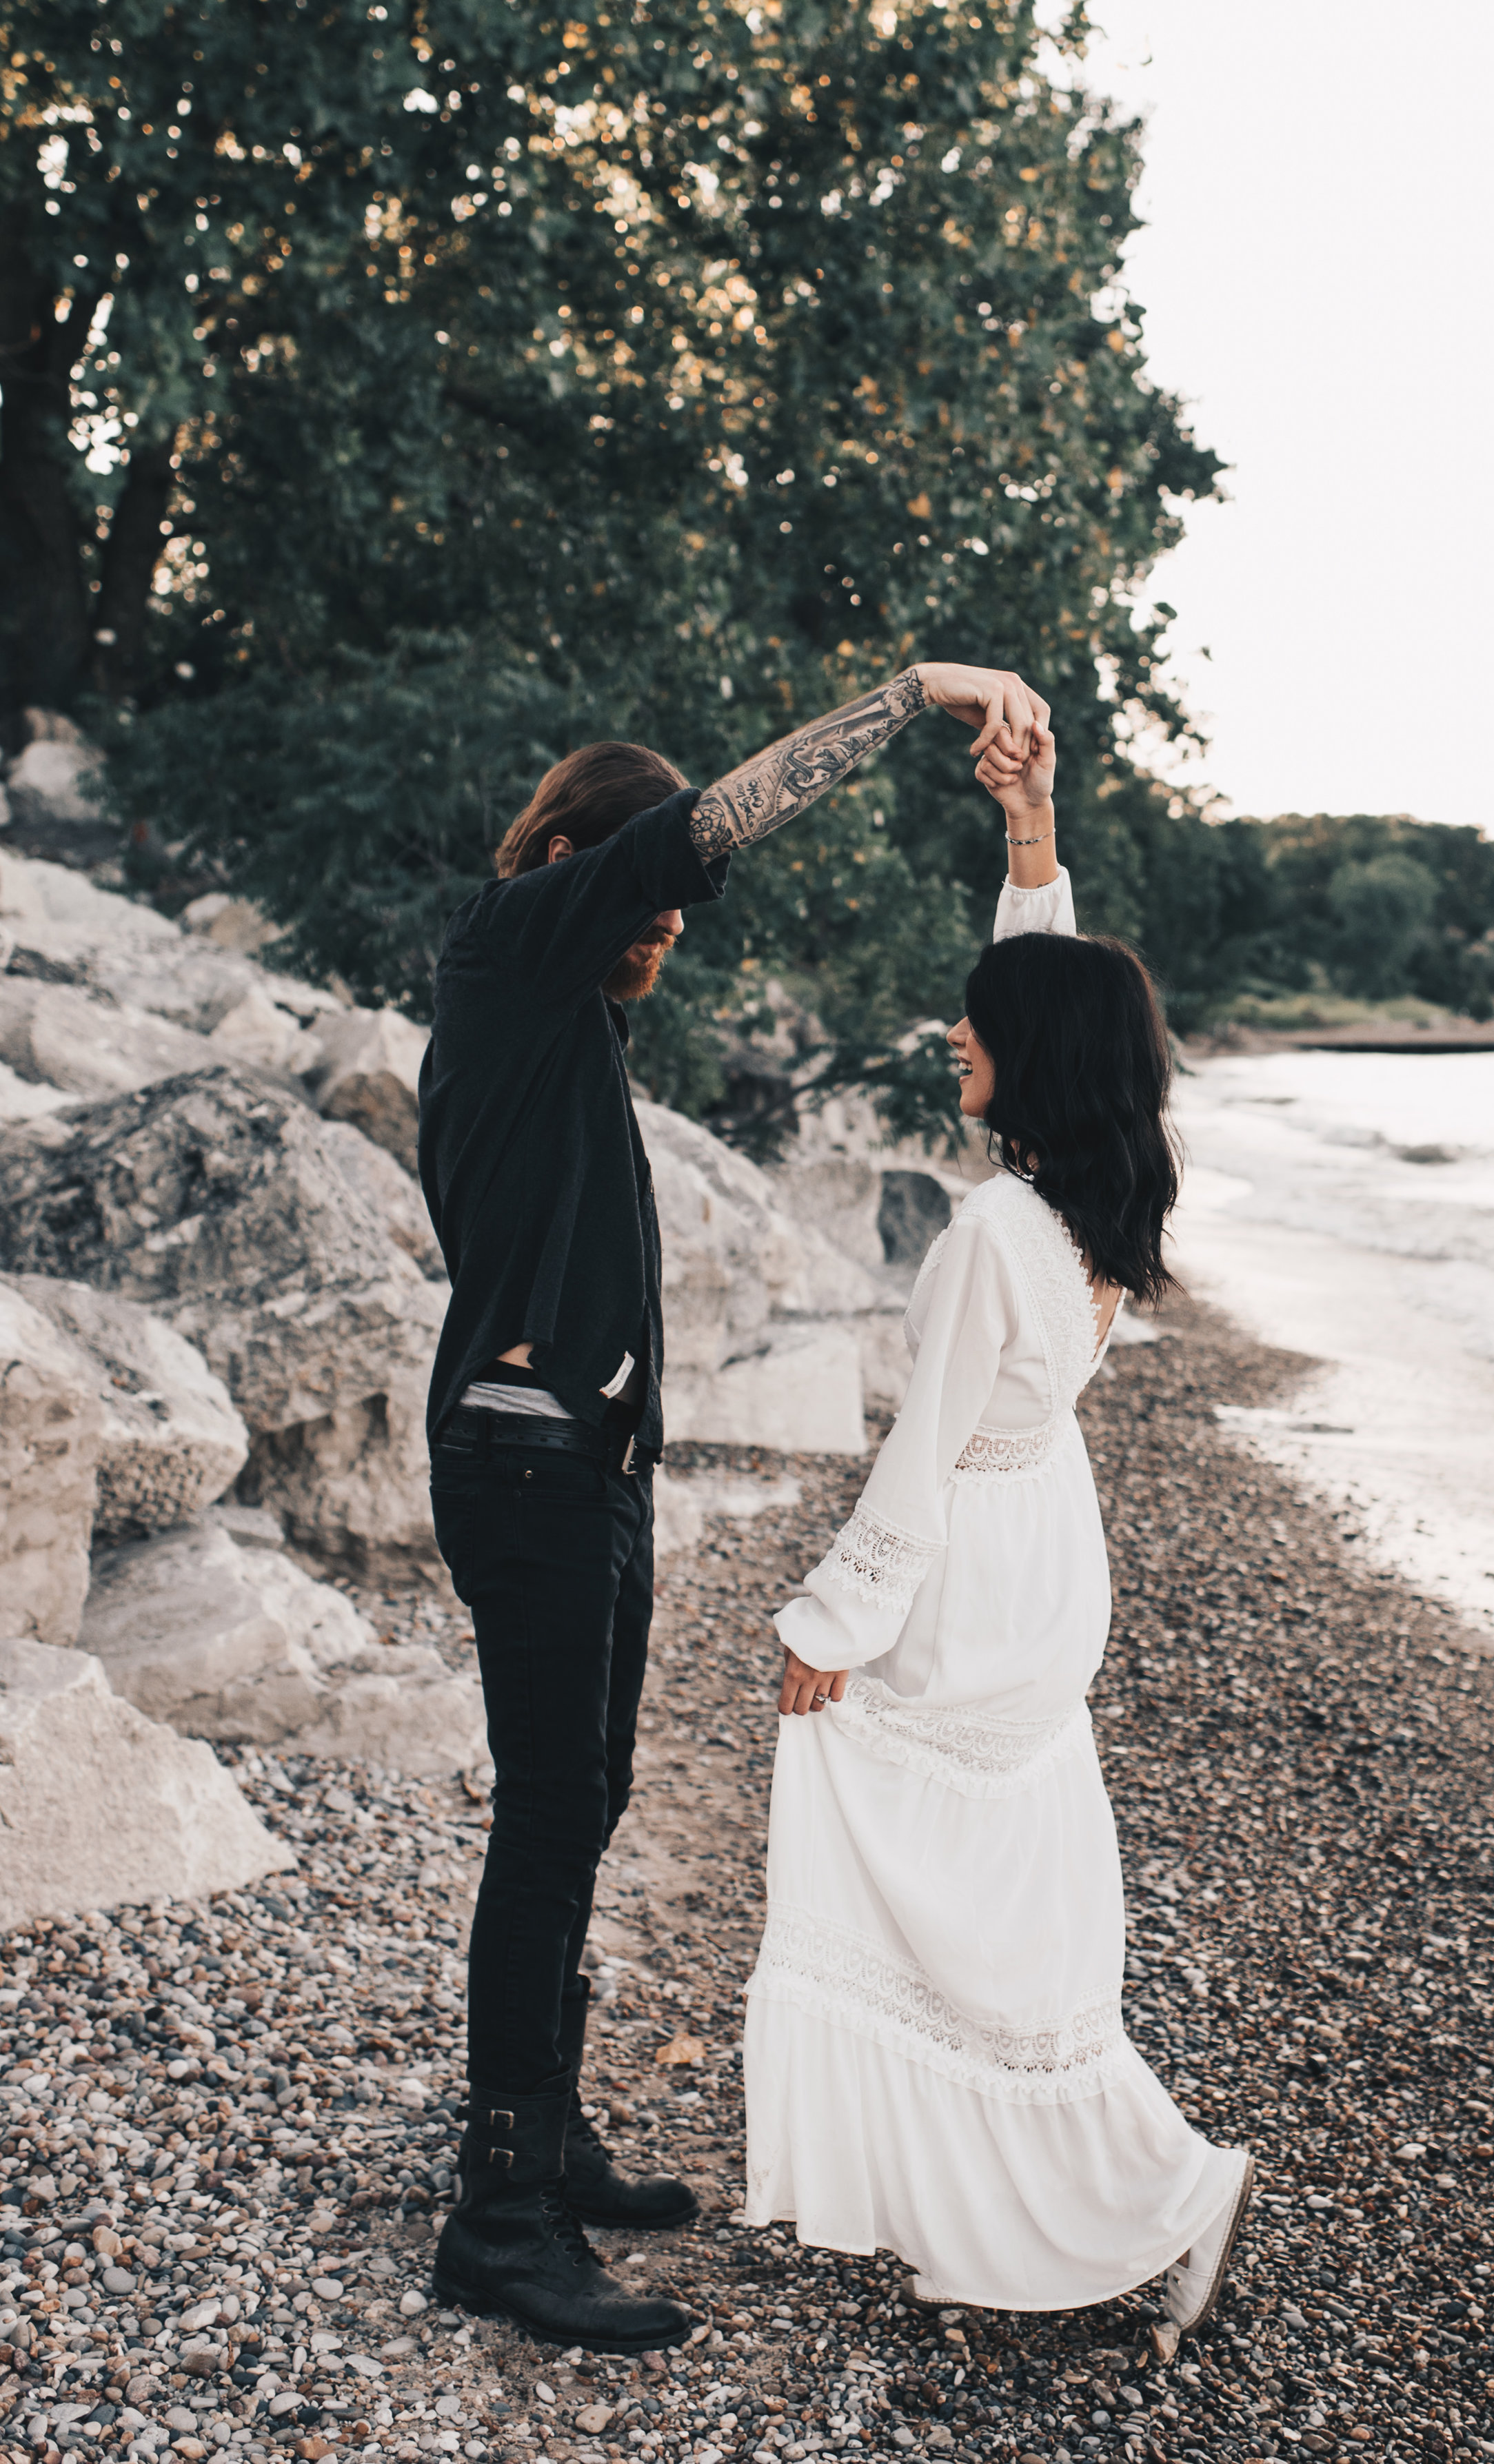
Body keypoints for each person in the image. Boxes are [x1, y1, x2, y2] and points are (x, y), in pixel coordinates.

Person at [416, 660, 1050, 2354]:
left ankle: (541, 2142)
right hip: (525, 1459)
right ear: (565, 859)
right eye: (645, 896)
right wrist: (916, 693)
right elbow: (714, 823)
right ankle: (497, 2219)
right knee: (551, 1823)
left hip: (583, 1461)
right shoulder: (512, 941)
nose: (668, 925)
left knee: (588, 1799)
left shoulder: (562, 1009)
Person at [742, 720, 1255, 2324]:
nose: (952, 1036)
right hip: (1049, 1566)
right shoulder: (1101, 1189)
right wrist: (1028, 834)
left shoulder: (986, 1231)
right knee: (999, 1878)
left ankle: (1133, 2181)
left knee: (903, 1870)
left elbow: (916, 1456)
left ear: (1026, 1060)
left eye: (974, 1032)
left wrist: (828, 1627)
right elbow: (1051, 990)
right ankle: (1038, 2173)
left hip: (970, 1569)